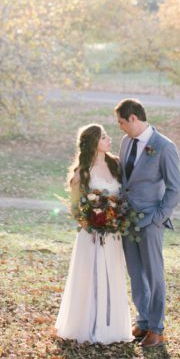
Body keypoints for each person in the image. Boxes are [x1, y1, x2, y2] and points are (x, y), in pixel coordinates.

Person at [55, 124, 132, 344]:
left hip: (112, 234)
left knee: (111, 274)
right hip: (91, 234)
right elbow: (75, 205)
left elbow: (123, 196)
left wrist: (114, 218)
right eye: (103, 137)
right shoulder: (83, 171)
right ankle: (86, 326)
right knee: (90, 276)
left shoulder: (115, 164)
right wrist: (90, 221)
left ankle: (112, 328)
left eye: (107, 136)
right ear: (93, 142)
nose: (109, 140)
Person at [116, 98, 180, 348]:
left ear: (133, 118)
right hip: (127, 221)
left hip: (151, 221)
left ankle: (157, 328)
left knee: (154, 274)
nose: (120, 127)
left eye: (122, 122)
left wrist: (157, 217)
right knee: (135, 273)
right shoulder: (125, 142)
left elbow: (175, 189)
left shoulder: (164, 147)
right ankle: (143, 321)